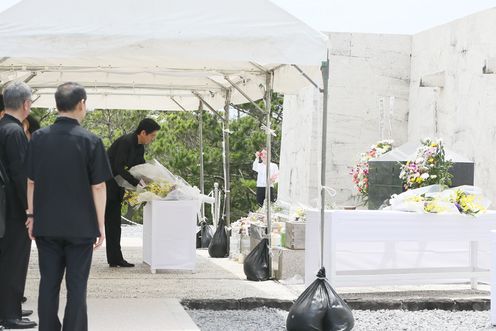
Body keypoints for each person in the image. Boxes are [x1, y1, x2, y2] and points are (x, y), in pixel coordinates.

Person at [26, 82, 112, 331]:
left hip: (47, 225)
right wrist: (100, 225)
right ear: (81, 104)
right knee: (77, 287)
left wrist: (31, 215)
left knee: (48, 284)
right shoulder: (91, 140)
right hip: (80, 227)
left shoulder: (39, 138)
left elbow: (30, 182)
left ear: (56, 106)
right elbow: (98, 187)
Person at [0, 82, 37, 329]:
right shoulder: (14, 132)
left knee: (7, 259)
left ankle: (10, 306)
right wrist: (29, 209)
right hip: (13, 209)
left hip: (5, 206)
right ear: (25, 104)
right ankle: (9, 314)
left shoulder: (3, 127)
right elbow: (20, 175)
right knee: (13, 260)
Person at [105, 118, 160, 267]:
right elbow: (118, 167)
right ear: (143, 132)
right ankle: (115, 258)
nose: (153, 139)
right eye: (152, 136)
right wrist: (138, 183)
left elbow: (140, 168)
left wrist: (154, 180)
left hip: (118, 186)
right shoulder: (126, 141)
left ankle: (115, 259)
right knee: (111, 223)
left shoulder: (140, 147)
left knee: (114, 223)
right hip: (106, 184)